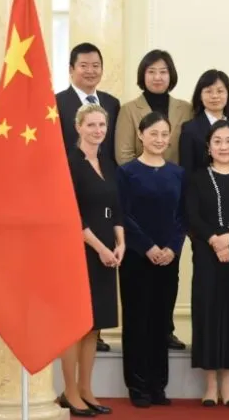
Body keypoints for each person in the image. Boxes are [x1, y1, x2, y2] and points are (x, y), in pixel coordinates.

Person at [115, 49, 192, 350]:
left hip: (172, 197)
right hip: (139, 196)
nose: (158, 77)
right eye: (151, 71)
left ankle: (166, 330)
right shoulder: (128, 110)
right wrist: (149, 175)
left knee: (168, 279)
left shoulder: (185, 108)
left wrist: (169, 179)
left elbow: (189, 151)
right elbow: (123, 153)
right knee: (139, 283)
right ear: (142, 75)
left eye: (163, 71)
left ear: (171, 74)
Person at [116, 111, 187, 408]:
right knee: (137, 321)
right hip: (136, 258)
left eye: (164, 134)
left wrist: (171, 248)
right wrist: (147, 246)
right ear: (141, 135)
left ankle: (158, 386)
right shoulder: (126, 172)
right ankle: (138, 386)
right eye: (153, 133)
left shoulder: (178, 174)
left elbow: (183, 216)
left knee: (161, 322)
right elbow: (123, 215)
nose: (159, 139)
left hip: (168, 259)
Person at [59, 104, 124, 417]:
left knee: (94, 325)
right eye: (91, 125)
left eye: (102, 125)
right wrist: (99, 247)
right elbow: (71, 214)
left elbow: (115, 207)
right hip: (79, 251)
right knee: (76, 324)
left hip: (107, 252)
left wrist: (120, 242)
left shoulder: (107, 162)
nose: (98, 130)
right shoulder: (70, 163)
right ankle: (69, 391)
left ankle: (86, 388)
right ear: (78, 127)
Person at [56, 43, 120, 353]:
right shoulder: (56, 103)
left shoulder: (112, 103)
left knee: (100, 286)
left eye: (96, 65)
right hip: (70, 198)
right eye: (84, 65)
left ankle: (97, 331)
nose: (91, 71)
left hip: (103, 197)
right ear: (71, 69)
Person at [187, 120, 229, 408]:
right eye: (217, 141)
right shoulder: (196, 177)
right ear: (208, 147)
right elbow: (191, 215)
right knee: (207, 312)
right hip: (206, 253)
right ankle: (210, 385)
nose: (223, 146)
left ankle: (228, 385)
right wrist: (215, 240)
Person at [180, 69, 229, 178]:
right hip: (201, 186)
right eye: (208, 91)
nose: (214, 96)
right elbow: (187, 169)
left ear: (228, 94)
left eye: (220, 91)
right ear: (200, 95)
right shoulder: (189, 129)